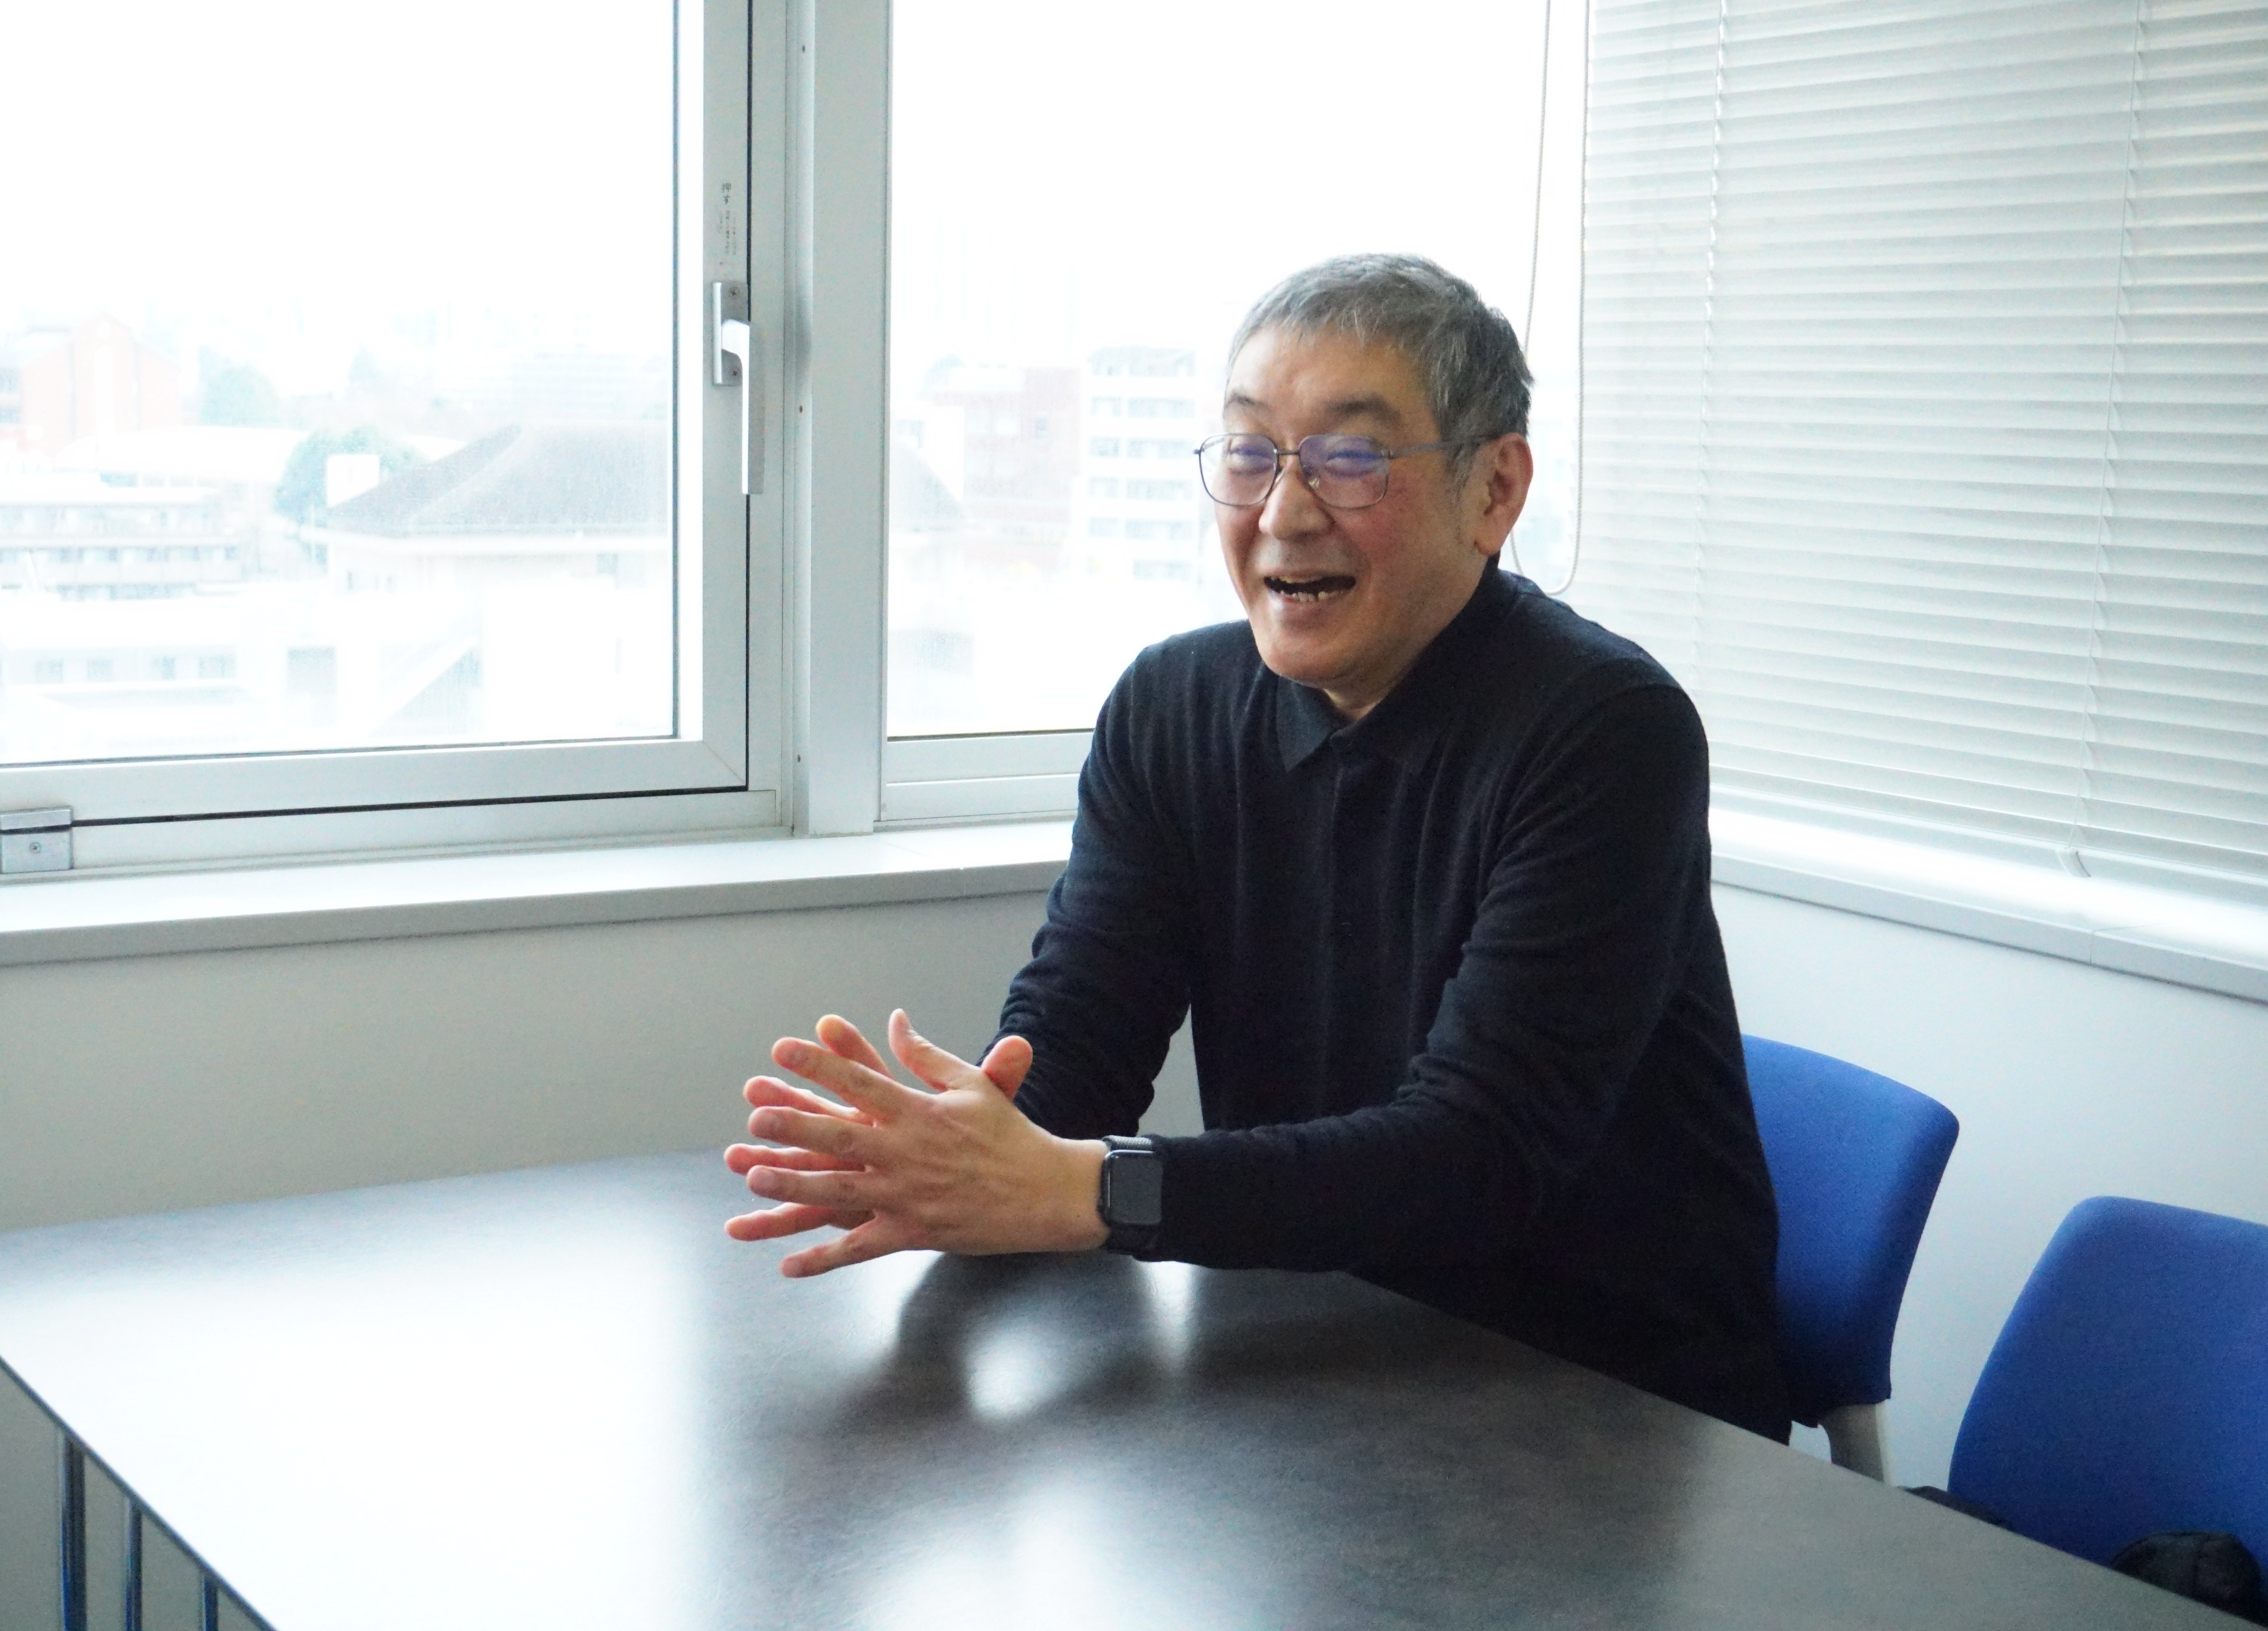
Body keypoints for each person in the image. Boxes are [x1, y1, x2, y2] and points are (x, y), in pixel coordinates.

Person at [726, 253, 1789, 1440]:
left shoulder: (1607, 730)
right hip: (1315, 1345)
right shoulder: (1172, 708)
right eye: (1250, 453)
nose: (1285, 511)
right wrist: (954, 1152)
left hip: (1601, 1398)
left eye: (1352, 457)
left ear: (1494, 491)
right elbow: (1081, 1042)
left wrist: (1083, 1186)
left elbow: (1481, 1159)